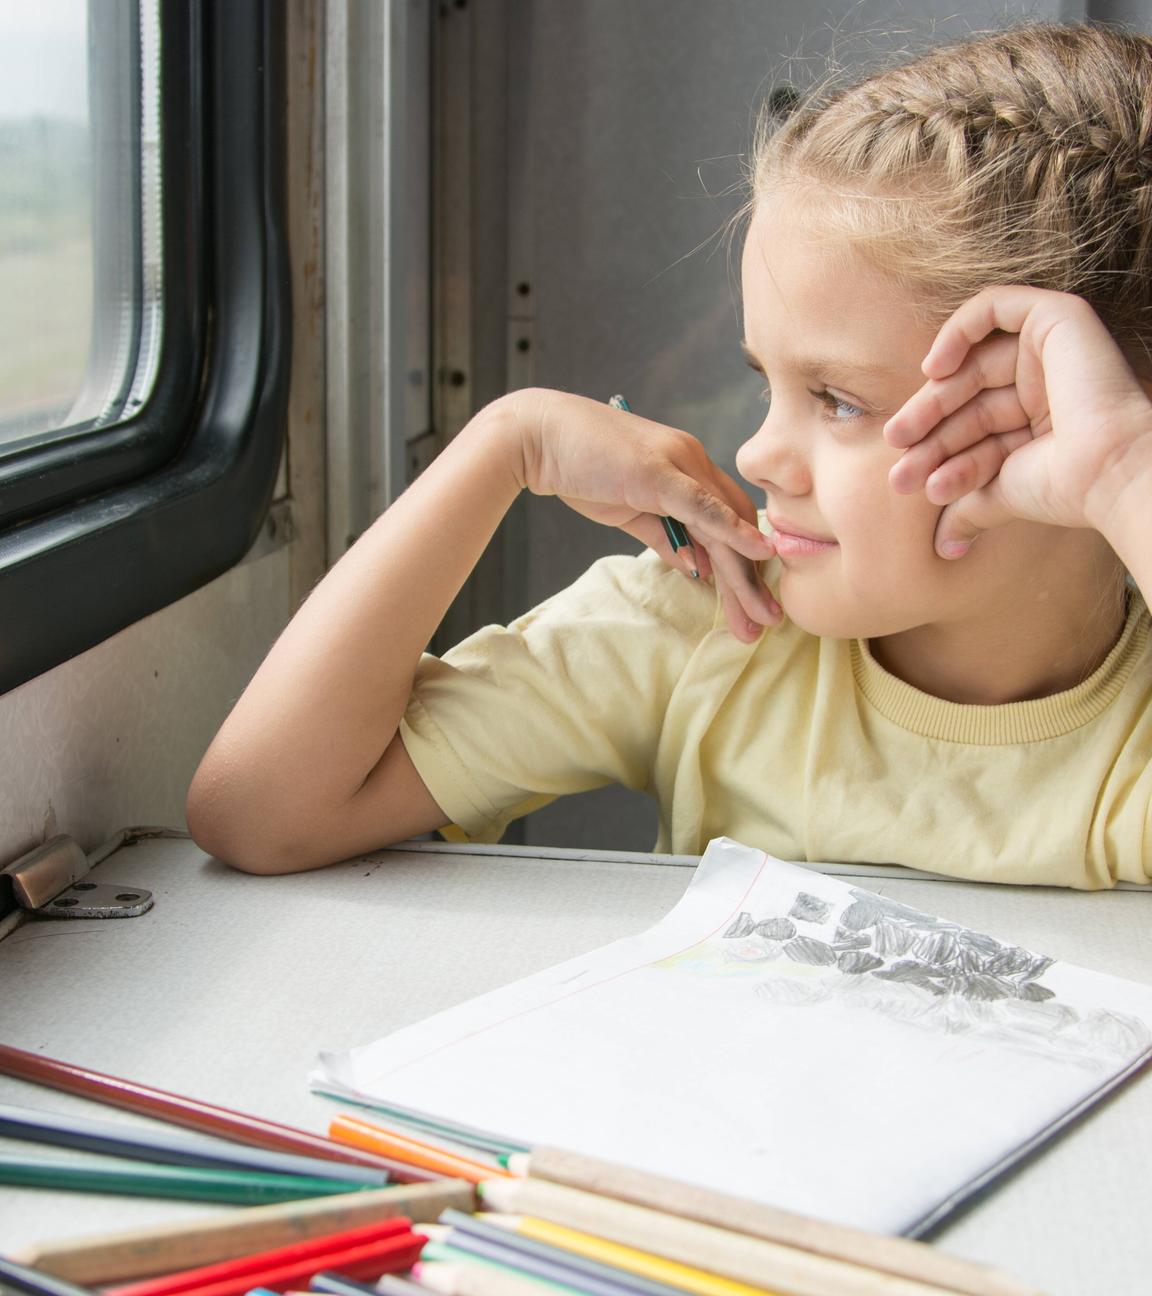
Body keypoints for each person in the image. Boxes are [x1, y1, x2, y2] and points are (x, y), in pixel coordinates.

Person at [187, 22, 1152, 888]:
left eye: (839, 400)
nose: (760, 452)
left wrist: (1121, 473)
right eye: (766, 381)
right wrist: (503, 442)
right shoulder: (712, 632)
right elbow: (259, 813)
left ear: (1058, 415)